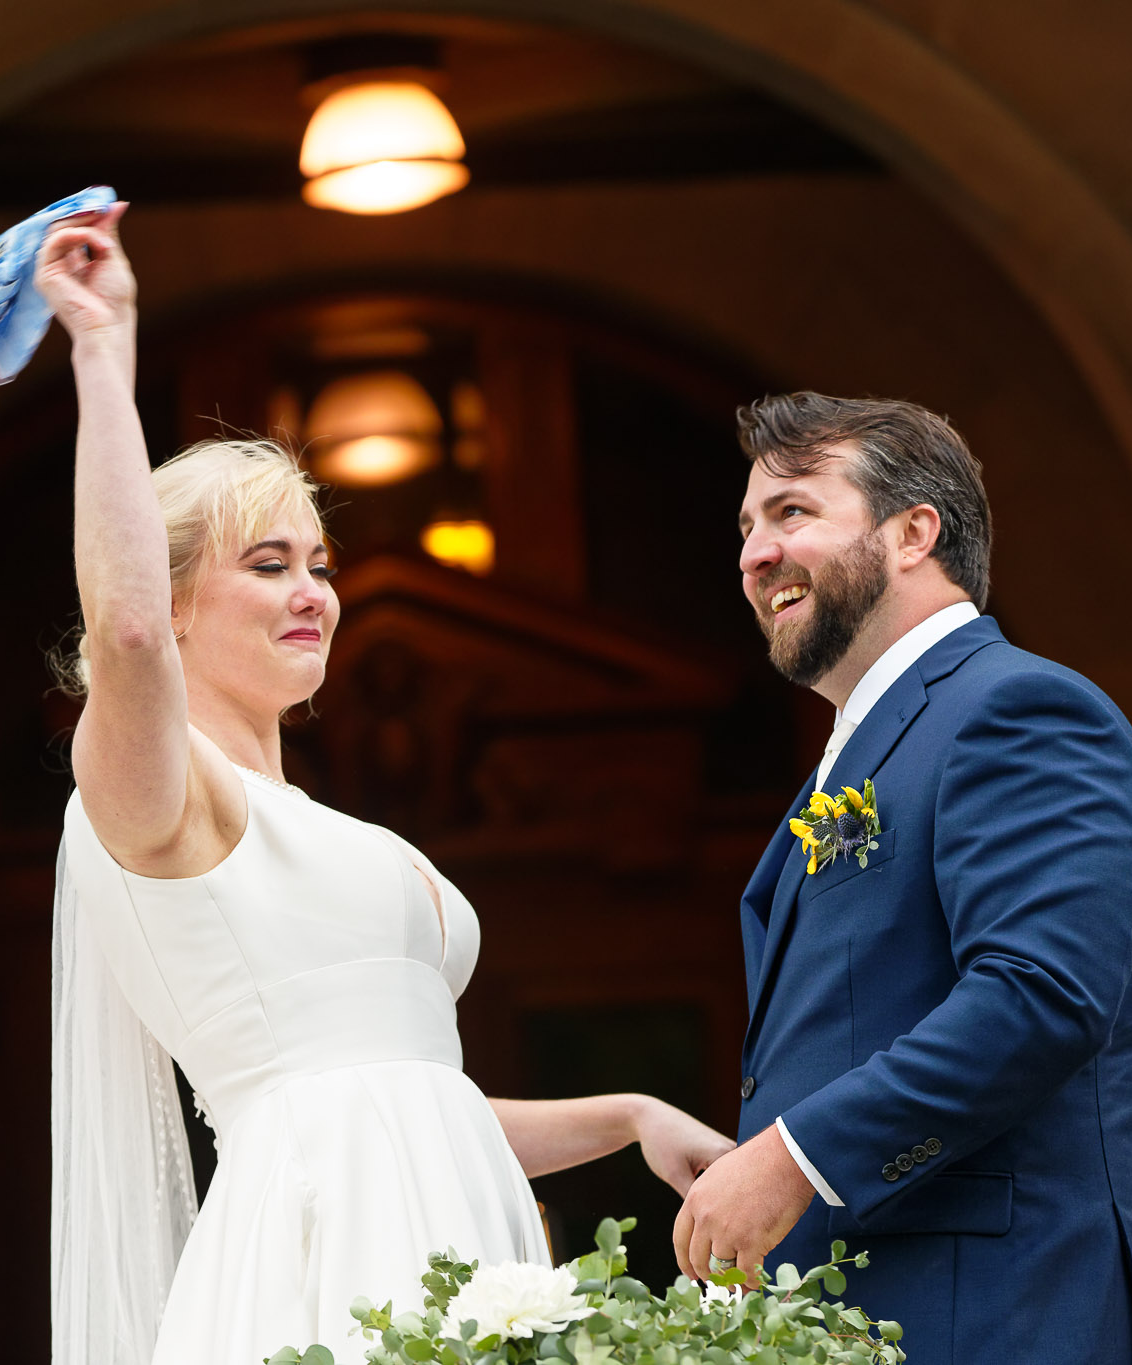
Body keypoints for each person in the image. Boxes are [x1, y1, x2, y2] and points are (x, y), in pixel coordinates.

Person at [37, 203, 736, 1365]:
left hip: (461, 1253)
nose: (313, 591)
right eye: (268, 566)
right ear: (168, 603)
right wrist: (103, 353)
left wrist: (630, 1118)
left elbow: (418, 1108)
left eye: (320, 564)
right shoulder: (167, 804)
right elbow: (119, 635)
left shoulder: (321, 821)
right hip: (314, 1265)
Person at [671, 393, 1132, 1363]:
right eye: (744, 527)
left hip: (1001, 1317)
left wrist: (793, 1156)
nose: (751, 554)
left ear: (913, 532)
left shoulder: (1019, 710)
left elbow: (1040, 996)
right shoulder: (841, 771)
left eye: (790, 513)